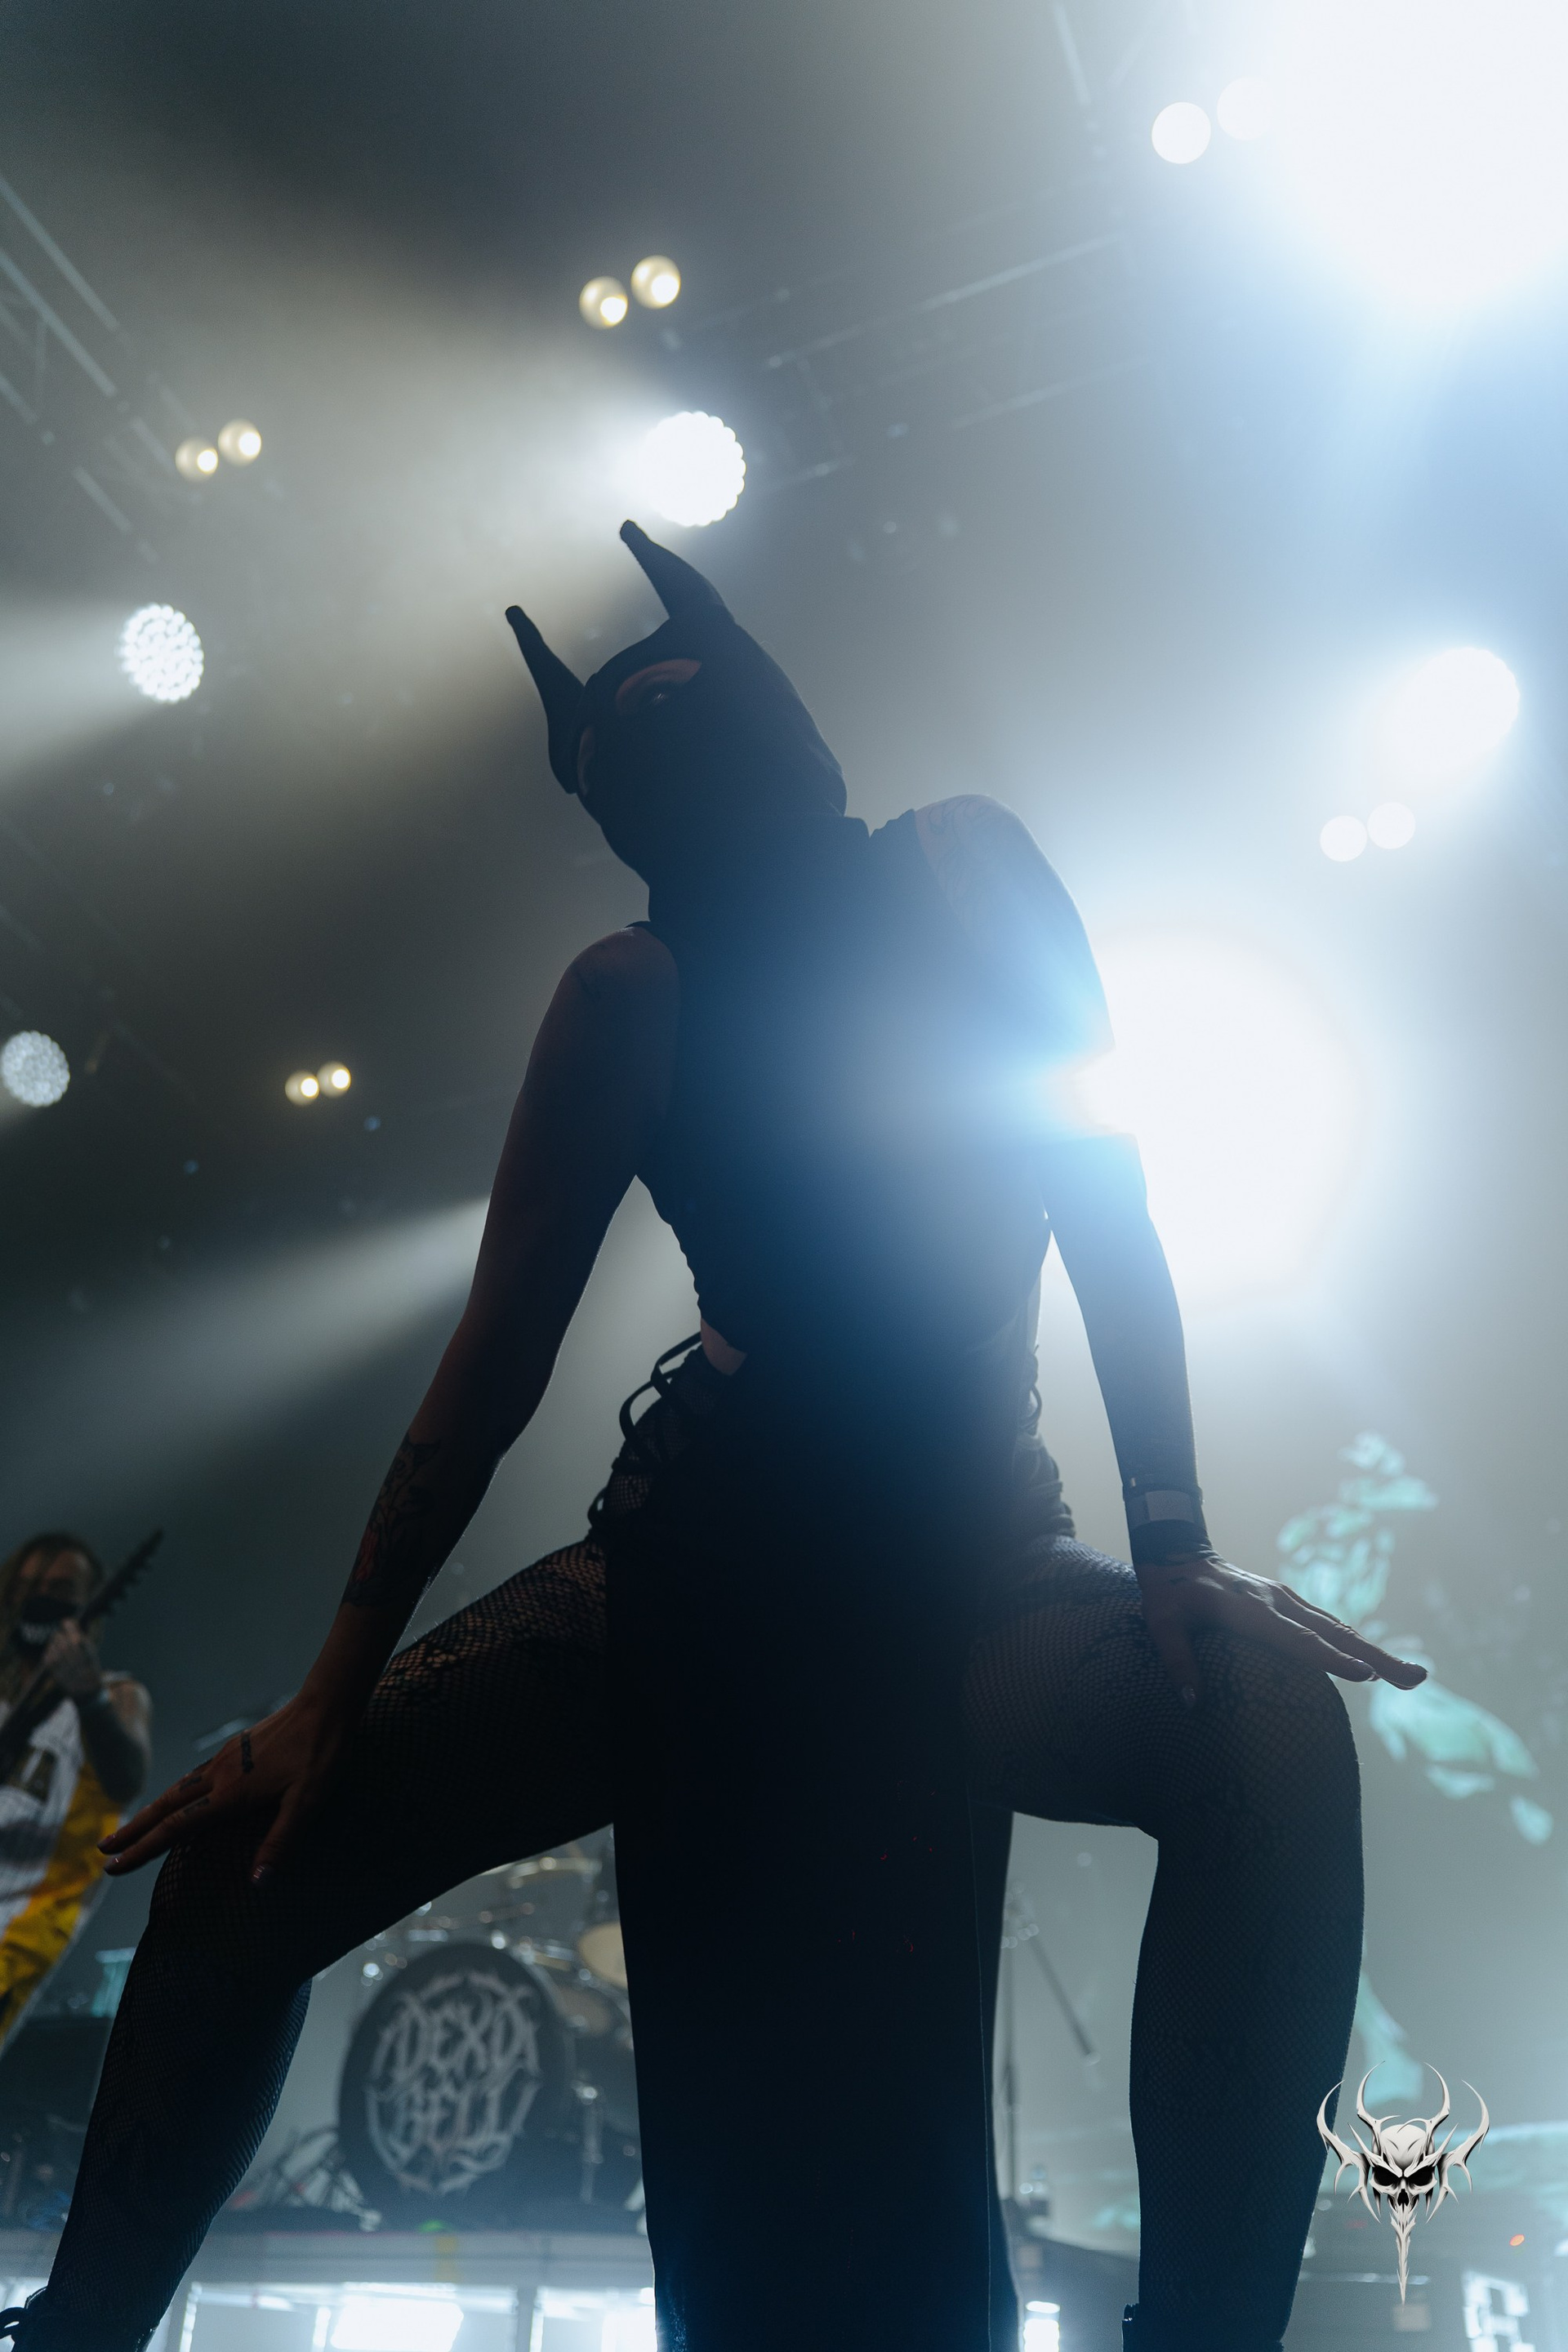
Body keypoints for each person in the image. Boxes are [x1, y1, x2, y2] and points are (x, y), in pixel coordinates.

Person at [4, 525, 1423, 2352]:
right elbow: (487, 1376)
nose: (658, 744)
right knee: (237, 1852)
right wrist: (325, 1701)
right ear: (614, 814)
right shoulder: (631, 995)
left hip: (966, 1572)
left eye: (685, 703)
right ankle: (80, 2332)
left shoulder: (963, 866)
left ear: (782, 722)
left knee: (1269, 1732)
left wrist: (1171, 1541)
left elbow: (1104, 1192)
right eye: (618, 748)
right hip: (697, 1581)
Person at [0, 1535, 151, 2053]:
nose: (40, 1597)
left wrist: (88, 1698)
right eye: (28, 1586)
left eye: (60, 1588)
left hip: (18, 1935)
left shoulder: (118, 1695)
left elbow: (128, 1777)